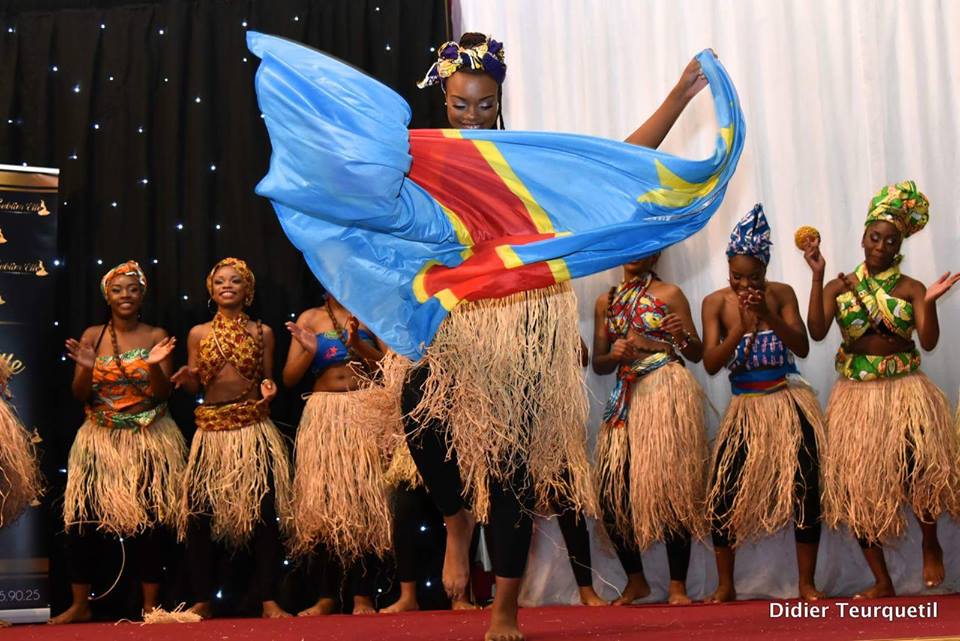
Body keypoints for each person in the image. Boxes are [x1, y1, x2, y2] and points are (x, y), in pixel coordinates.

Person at [402, 33, 714, 641]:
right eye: (461, 104)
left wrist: (679, 96)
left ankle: (505, 610)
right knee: (416, 406)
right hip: (457, 319)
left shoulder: (526, 164)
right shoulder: (429, 161)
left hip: (523, 323)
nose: (473, 115)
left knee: (512, 470)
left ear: (500, 101)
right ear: (444, 99)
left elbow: (620, 164)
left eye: (485, 105)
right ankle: (455, 519)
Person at [803, 181, 960, 597]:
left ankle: (930, 543)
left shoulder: (911, 288)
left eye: (891, 241)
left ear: (899, 245)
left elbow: (928, 342)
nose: (881, 246)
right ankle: (882, 580)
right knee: (860, 485)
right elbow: (816, 331)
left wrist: (929, 302)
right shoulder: (839, 286)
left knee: (917, 467)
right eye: (875, 237)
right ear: (863, 237)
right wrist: (817, 276)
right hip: (856, 395)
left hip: (904, 389)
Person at [701, 205, 825, 603]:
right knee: (722, 492)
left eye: (753, 276)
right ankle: (725, 584)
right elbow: (710, 363)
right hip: (746, 407)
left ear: (765, 270)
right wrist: (741, 326)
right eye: (736, 276)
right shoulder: (715, 303)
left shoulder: (782, 294)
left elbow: (802, 346)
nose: (744, 283)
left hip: (787, 403)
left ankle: (806, 583)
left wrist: (767, 312)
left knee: (806, 488)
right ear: (727, 269)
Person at [53, 261, 184, 624]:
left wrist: (154, 365)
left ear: (142, 295)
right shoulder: (93, 335)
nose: (125, 295)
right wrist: (87, 367)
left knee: (150, 519)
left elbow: (162, 394)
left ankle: (150, 606)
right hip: (100, 437)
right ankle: (80, 604)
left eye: (133, 289)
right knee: (82, 518)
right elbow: (80, 394)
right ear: (107, 296)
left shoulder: (156, 335)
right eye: (117, 289)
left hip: (148, 436)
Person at [172, 257, 292, 619]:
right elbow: (195, 385)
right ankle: (203, 599)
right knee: (199, 515)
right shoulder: (198, 333)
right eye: (220, 280)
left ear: (247, 290)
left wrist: (269, 389)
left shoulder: (262, 331)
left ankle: (268, 599)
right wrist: (186, 378)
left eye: (235, 280)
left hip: (252, 430)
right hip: (210, 432)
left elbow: (267, 378)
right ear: (211, 290)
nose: (227, 285)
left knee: (264, 514)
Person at [592, 252, 706, 605]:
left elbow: (697, 353)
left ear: (655, 252)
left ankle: (677, 586)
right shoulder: (606, 301)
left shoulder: (670, 294)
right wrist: (614, 355)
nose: (635, 255)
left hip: (665, 388)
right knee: (612, 492)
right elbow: (599, 364)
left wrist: (680, 336)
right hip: (626, 394)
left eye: (644, 248)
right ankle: (636, 580)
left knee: (671, 487)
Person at [283, 292, 391, 616]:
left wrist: (358, 344)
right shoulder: (309, 318)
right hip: (324, 415)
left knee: (365, 505)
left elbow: (389, 369)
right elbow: (289, 378)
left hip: (365, 410)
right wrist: (309, 350)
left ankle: (363, 596)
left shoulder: (371, 306)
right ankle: (326, 596)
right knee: (323, 506)